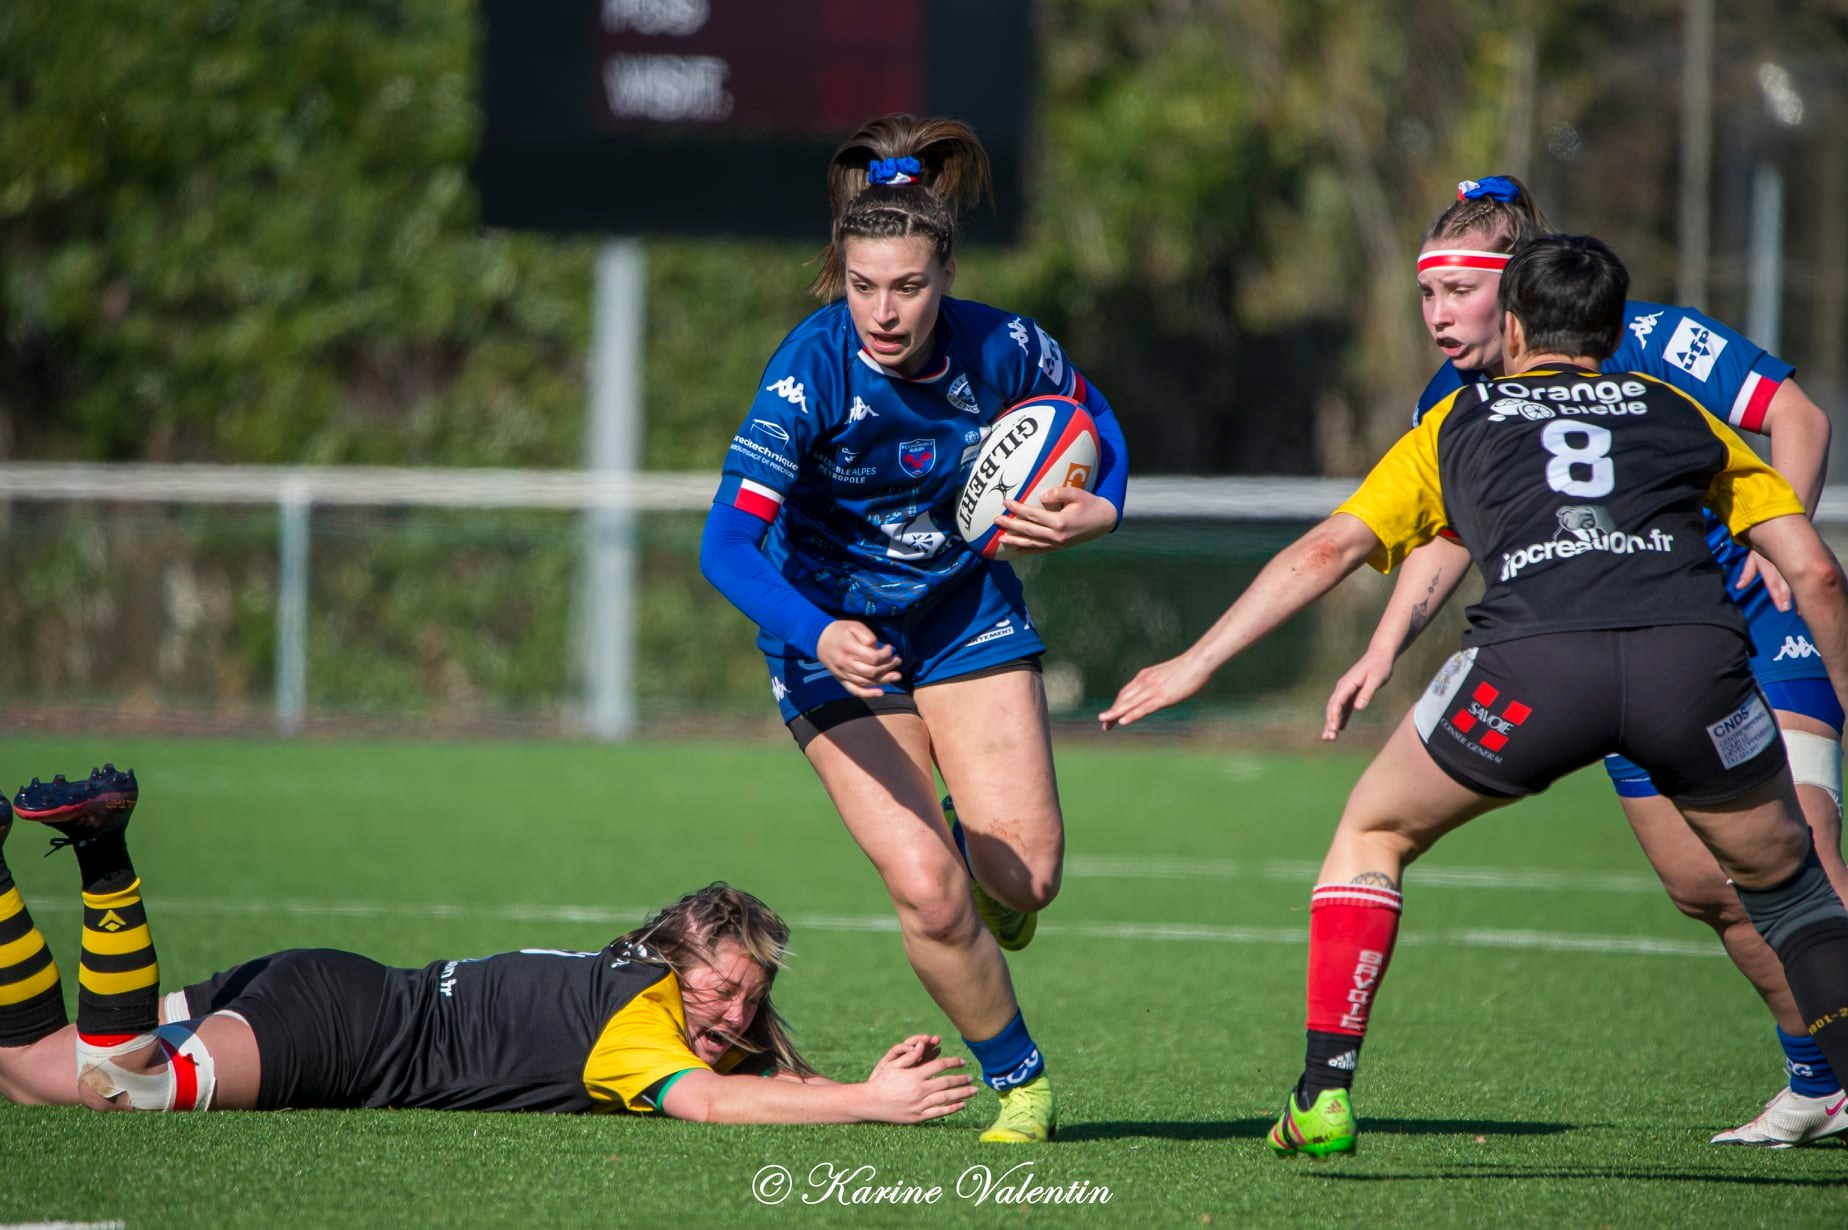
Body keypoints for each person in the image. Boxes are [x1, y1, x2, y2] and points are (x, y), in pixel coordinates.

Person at [1100, 233, 1848, 1158]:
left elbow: (1326, 551)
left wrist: (1195, 663)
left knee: (1374, 831)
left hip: (1534, 673)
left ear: (1517, 320)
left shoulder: (1456, 418)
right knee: (1796, 890)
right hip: (1690, 667)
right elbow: (1815, 573)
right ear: (1615, 332)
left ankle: (1322, 1093)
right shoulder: (1681, 413)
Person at [1323, 175, 1846, 1147]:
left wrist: (1784, 546)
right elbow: (1446, 536)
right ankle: (1820, 1079)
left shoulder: (1654, 339)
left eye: (1458, 293)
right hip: (1629, 643)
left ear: (1514, 293)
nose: (1440, 318)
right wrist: (1384, 642)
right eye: (1427, 296)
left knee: (1800, 852)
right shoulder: (1459, 398)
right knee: (1702, 885)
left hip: (1752, 621)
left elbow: (1802, 419)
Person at [698, 114, 1130, 1142]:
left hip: (961, 614)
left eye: (908, 286)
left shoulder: (1004, 346)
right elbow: (724, 546)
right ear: (839, 276)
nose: (883, 312)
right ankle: (1019, 1081)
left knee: (1023, 880)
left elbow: (1099, 428)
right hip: (836, 641)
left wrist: (1096, 511)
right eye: (862, 286)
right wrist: (818, 631)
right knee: (932, 889)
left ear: (945, 276)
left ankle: (979, 841)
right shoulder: (809, 374)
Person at [0, 766, 976, 1121]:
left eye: (750, 999)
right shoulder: (637, 1023)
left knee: (23, 1064)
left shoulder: (638, 981)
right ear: (673, 965)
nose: (734, 1013)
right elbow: (715, 1103)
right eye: (719, 991)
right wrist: (865, 1104)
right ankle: (104, 854)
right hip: (333, 1034)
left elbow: (742, 1069)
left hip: (326, 984)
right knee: (110, 1083)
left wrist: (838, 1081)